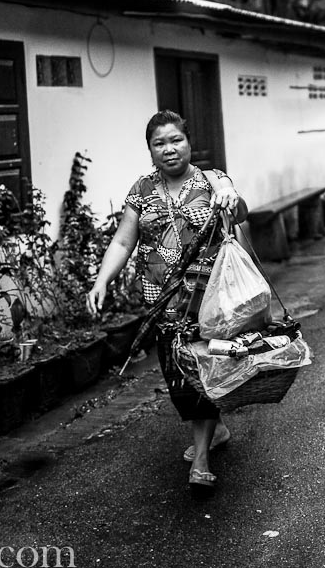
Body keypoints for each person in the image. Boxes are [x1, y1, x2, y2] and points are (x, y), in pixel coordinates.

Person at [86, 110, 246, 492]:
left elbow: (240, 212)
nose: (169, 149)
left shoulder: (213, 180)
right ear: (150, 149)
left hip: (207, 300)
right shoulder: (141, 189)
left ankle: (202, 458)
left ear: (189, 143)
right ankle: (216, 430)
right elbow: (124, 241)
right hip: (162, 303)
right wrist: (101, 280)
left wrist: (230, 197)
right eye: (159, 143)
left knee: (202, 373)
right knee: (178, 379)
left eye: (176, 140)